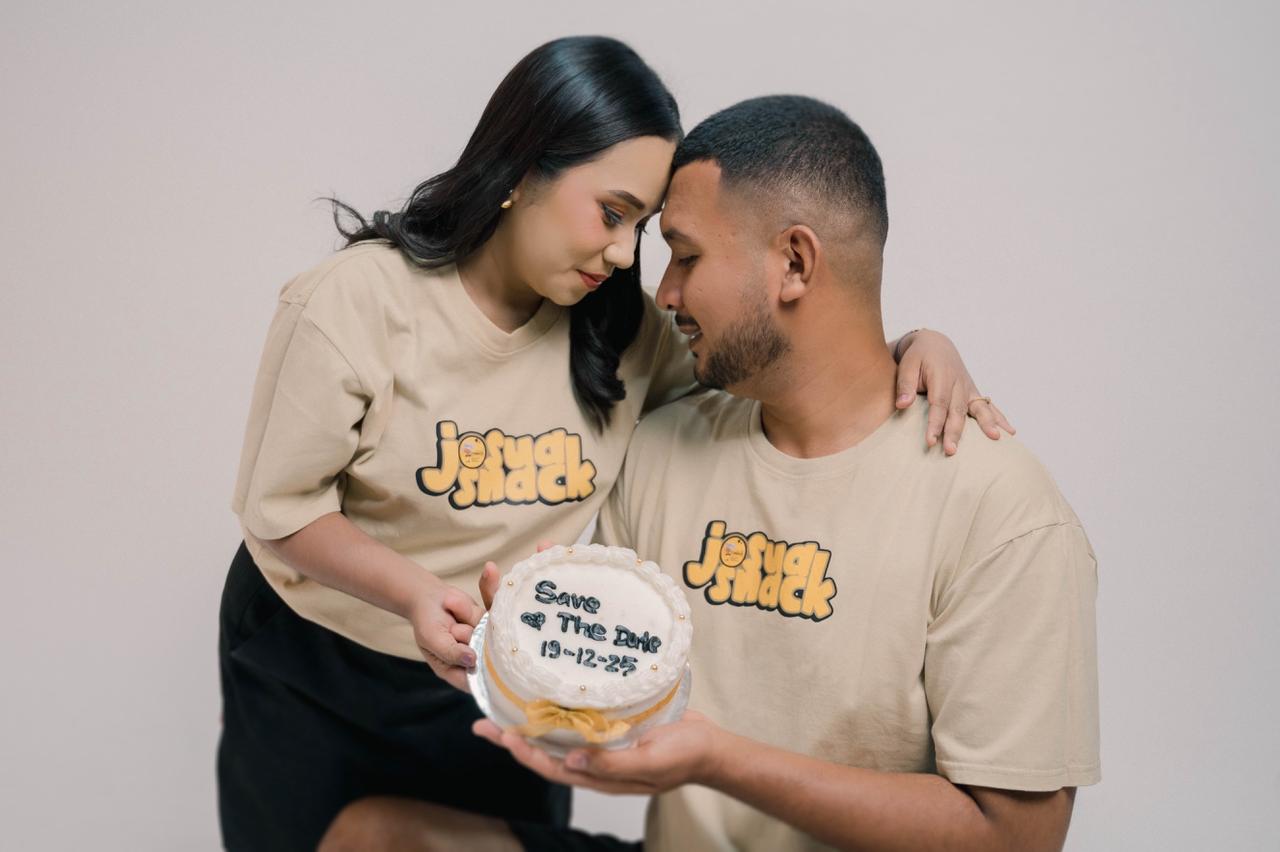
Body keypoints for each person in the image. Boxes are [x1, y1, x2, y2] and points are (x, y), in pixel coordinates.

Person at [220, 36, 1007, 851]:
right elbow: (280, 512)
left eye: (645, 228)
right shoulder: (353, 304)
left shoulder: (626, 332)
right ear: (523, 170)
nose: (627, 254)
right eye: (611, 213)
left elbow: (782, 359)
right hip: (316, 664)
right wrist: (416, 594)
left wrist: (912, 345)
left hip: (508, 674)